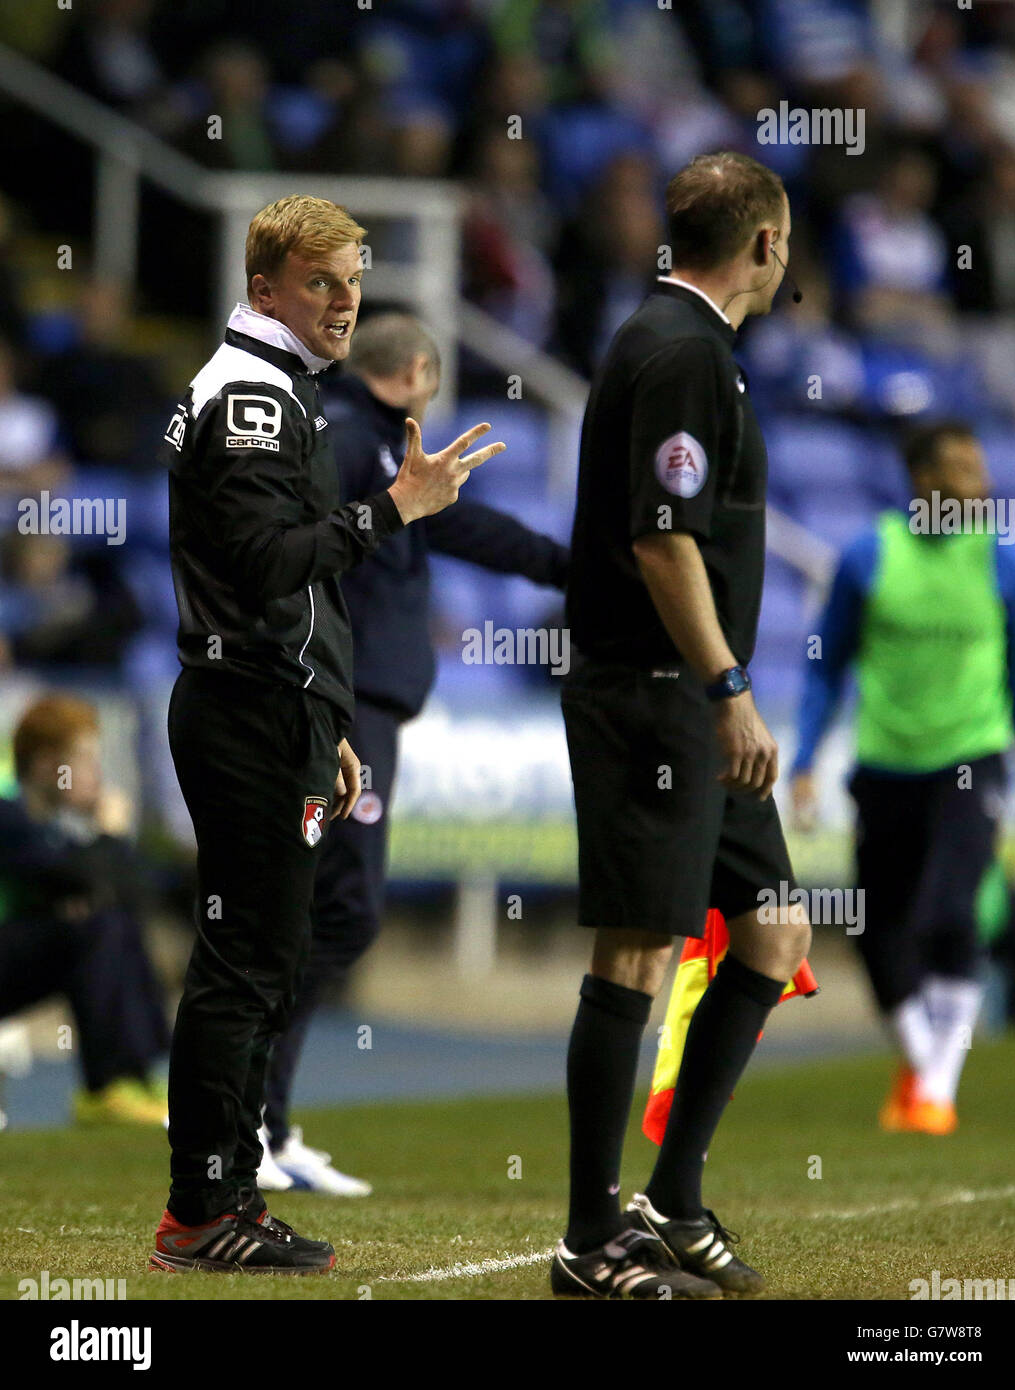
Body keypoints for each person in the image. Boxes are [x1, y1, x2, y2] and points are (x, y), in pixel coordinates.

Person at [150, 193, 504, 1275]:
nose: (344, 302)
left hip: (276, 706)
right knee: (247, 965)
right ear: (265, 288)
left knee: (260, 960)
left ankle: (224, 1196)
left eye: (353, 282)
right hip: (246, 708)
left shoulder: (271, 387)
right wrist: (395, 508)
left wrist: (330, 715)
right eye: (320, 282)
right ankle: (206, 1207)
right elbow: (266, 563)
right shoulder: (255, 398)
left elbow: (283, 583)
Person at [553, 151, 810, 1300]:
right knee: (639, 950)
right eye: (786, 239)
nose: (789, 257)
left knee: (772, 936)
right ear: (763, 243)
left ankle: (673, 1195)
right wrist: (727, 690)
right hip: (659, 697)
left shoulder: (690, 347)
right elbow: (664, 540)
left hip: (691, 701)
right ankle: (586, 1239)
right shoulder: (681, 351)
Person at [259, 313, 568, 1194]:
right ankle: (237, 1114)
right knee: (336, 908)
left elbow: (469, 530)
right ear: (422, 372)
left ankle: (263, 1124)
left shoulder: (378, 451)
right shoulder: (354, 441)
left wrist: (574, 568)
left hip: (363, 706)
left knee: (324, 906)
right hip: (345, 708)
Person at [790, 421, 1015, 1134]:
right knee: (874, 931)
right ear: (921, 478)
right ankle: (924, 1066)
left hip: (971, 759)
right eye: (960, 466)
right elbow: (824, 666)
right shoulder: (870, 557)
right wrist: (805, 760)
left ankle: (934, 1090)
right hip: (886, 766)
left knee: (952, 914)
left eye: (980, 466)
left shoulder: (1004, 566)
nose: (979, 481)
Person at [0, 694, 169, 1125]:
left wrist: (96, 864)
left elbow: (134, 888)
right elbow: (72, 876)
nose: (96, 775)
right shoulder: (7, 807)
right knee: (97, 930)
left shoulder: (50, 823)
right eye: (84, 761)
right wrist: (109, 834)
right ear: (45, 765)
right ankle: (108, 1086)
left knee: (113, 922)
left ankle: (135, 1075)